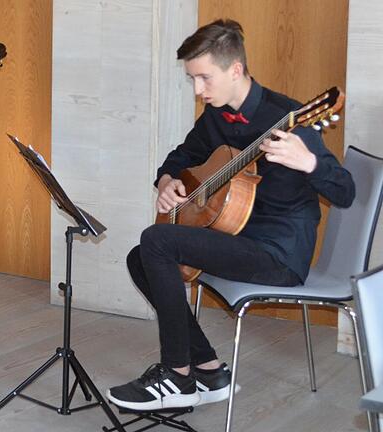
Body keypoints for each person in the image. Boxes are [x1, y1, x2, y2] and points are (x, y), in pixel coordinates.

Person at [107, 19, 355, 411]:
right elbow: (183, 155)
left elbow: (345, 191)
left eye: (204, 78)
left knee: (156, 241)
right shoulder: (216, 116)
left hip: (277, 254)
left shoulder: (290, 120)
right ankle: (209, 370)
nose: (197, 90)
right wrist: (168, 180)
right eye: (191, 80)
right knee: (140, 256)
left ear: (235, 69)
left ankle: (176, 375)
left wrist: (309, 162)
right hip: (234, 239)